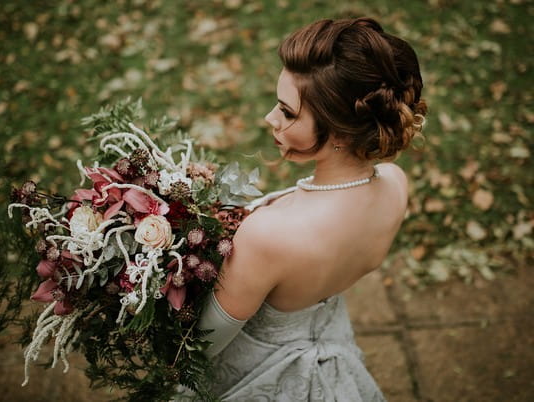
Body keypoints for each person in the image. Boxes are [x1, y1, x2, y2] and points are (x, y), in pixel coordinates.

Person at [183, 16, 427, 401]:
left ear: (342, 132)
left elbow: (198, 347)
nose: (270, 118)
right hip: (330, 336)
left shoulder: (269, 236)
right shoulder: (395, 184)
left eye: (287, 111)